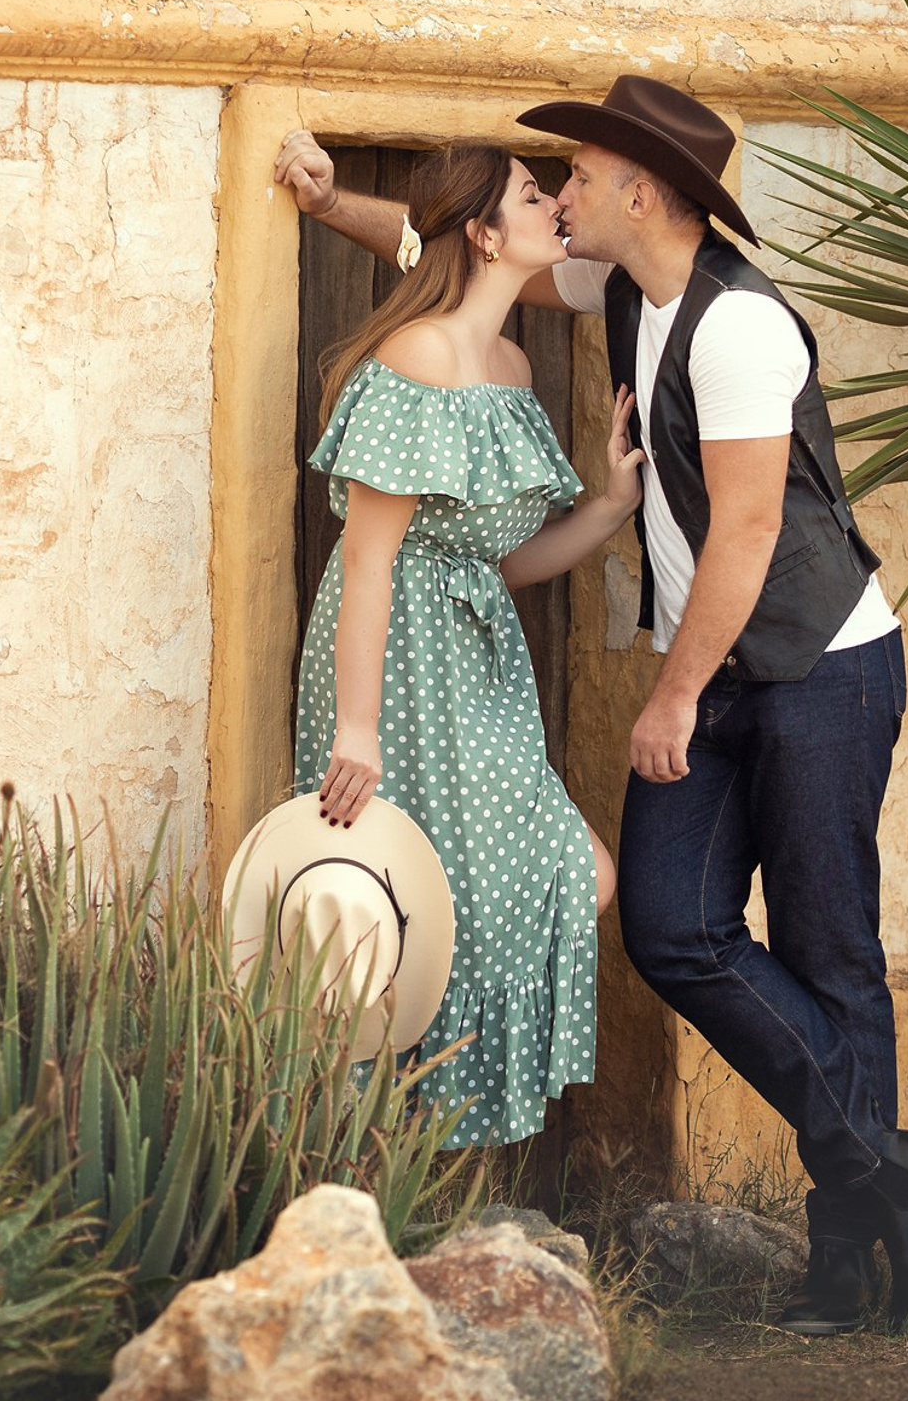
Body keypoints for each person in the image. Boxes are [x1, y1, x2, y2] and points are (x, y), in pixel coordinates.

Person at [276, 77, 908, 1334]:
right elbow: (448, 246)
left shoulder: (740, 329)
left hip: (818, 671)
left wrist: (671, 697)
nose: (564, 193)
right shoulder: (624, 293)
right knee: (667, 925)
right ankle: (891, 1169)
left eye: (579, 174)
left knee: (828, 951)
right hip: (715, 675)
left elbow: (751, 533)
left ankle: (847, 1252)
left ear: (642, 191)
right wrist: (332, 207)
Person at [295, 143, 645, 1148]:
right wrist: (354, 732)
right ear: (486, 234)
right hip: (396, 670)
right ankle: (377, 1163)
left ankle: (438, 1152)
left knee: (567, 874)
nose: (554, 205)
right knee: (410, 910)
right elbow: (368, 563)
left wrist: (615, 506)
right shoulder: (419, 356)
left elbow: (508, 561)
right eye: (535, 196)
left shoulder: (511, 364)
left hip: (481, 666)